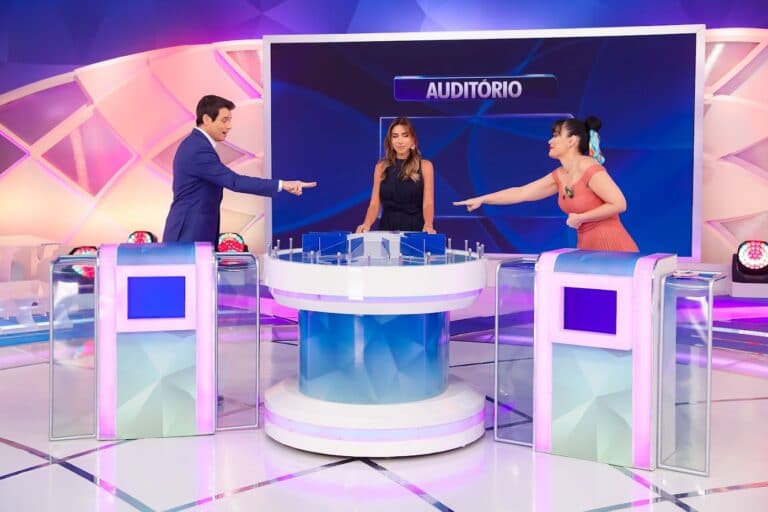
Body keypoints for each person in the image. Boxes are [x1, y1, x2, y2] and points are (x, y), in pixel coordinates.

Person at [453, 116, 638, 252]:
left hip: (613, 247)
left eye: (556, 135)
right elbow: (521, 193)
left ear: (572, 141)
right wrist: (483, 199)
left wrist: (582, 218)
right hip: (587, 247)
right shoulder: (559, 175)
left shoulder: (588, 166)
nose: (550, 140)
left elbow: (619, 203)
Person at [162, 95, 316, 245]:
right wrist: (283, 185)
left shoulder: (197, 144)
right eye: (224, 120)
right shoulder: (197, 148)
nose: (229, 126)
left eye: (229, 120)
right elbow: (234, 181)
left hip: (194, 231)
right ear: (207, 119)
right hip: (188, 233)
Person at [356, 116, 436, 234]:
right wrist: (367, 223)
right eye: (395, 136)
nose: (400, 141)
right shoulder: (381, 167)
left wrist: (428, 224)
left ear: (413, 140)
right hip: (387, 228)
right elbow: (374, 203)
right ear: (390, 141)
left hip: (415, 228)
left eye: (405, 135)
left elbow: (428, 203)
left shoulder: (425, 166)